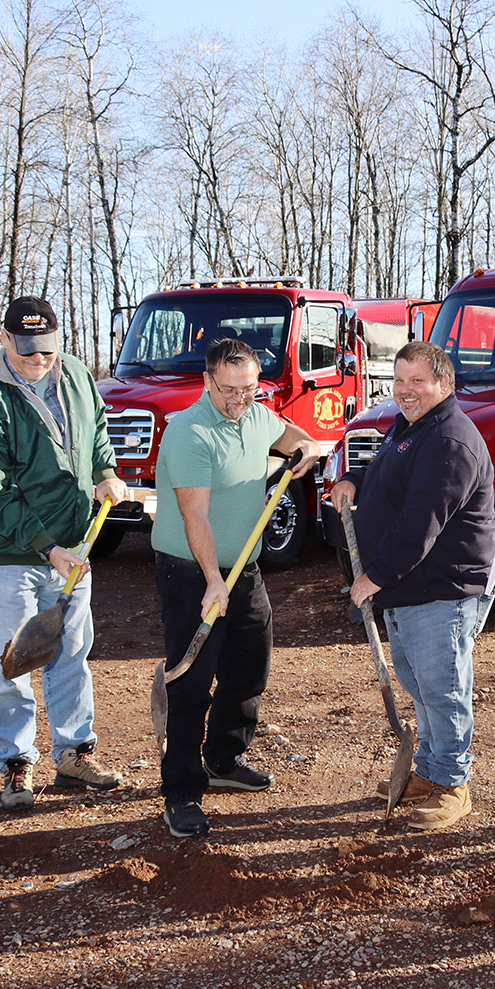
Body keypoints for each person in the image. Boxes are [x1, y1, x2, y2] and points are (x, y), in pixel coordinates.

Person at [0, 296, 129, 810]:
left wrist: (105, 472)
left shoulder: (75, 374)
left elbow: (97, 430)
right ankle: (15, 763)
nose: (38, 359)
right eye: (26, 349)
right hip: (9, 556)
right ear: (4, 339)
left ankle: (74, 753)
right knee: (12, 661)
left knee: (71, 654)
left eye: (46, 349)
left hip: (73, 545)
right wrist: (47, 548)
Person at [152, 337, 319, 838]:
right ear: (207, 381)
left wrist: (307, 447)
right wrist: (211, 581)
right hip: (191, 572)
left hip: (245, 568)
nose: (239, 399)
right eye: (229, 390)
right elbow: (194, 515)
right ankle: (182, 789)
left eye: (248, 389)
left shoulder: (256, 415)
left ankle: (223, 759)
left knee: (249, 666)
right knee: (191, 679)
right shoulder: (189, 432)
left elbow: (291, 435)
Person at [330, 341, 495, 831]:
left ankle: (454, 784)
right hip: (411, 589)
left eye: (417, 381)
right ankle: (429, 770)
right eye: (399, 381)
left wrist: (373, 577)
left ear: (444, 384)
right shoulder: (412, 427)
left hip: (442, 590)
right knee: (420, 685)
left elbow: (419, 524)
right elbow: (392, 476)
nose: (405, 391)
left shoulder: (450, 441)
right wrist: (356, 479)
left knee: (443, 689)